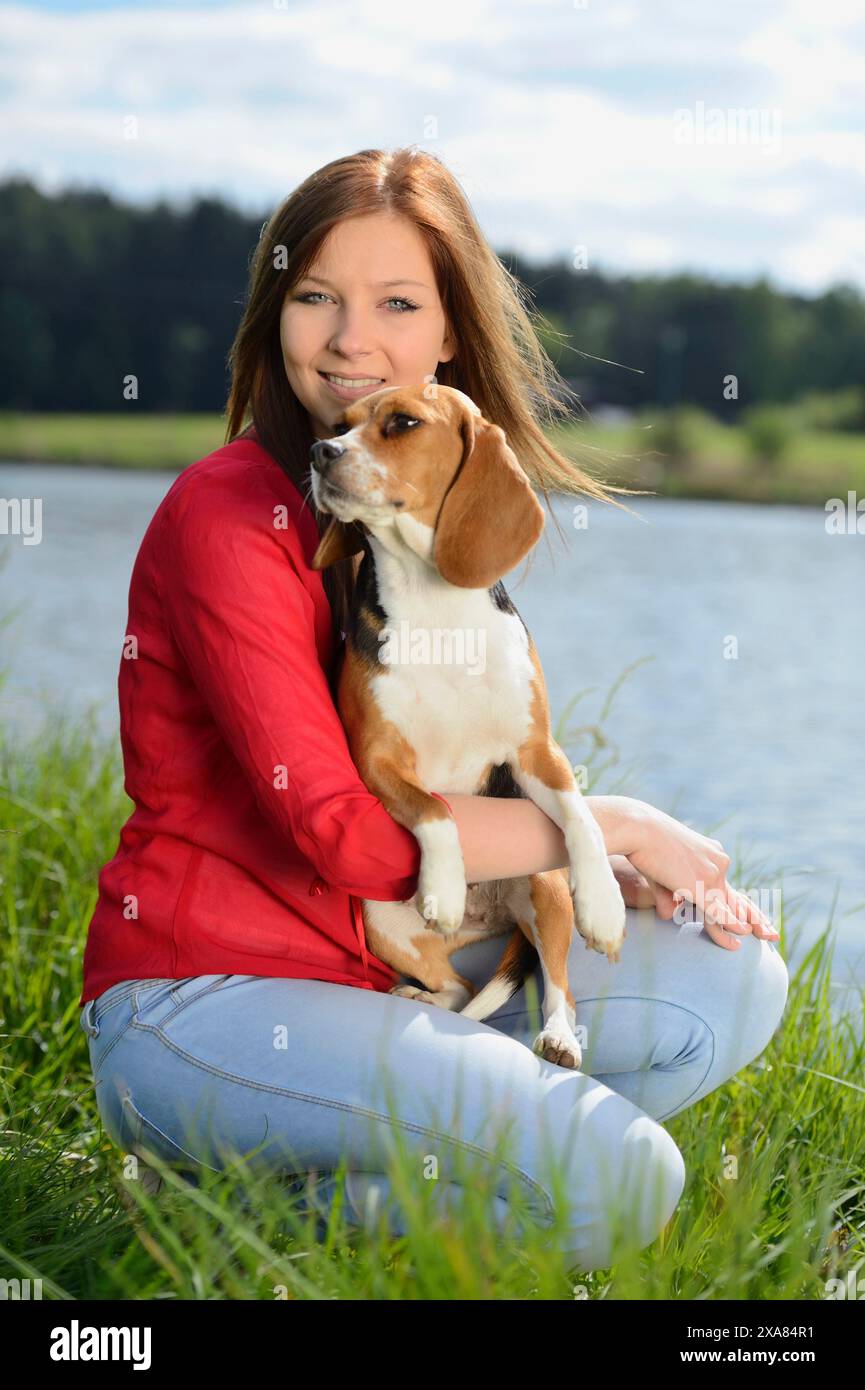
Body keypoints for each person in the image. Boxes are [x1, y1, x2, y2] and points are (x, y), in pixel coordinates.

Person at [79, 146, 788, 1269]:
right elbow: (347, 833)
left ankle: (380, 1170)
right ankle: (229, 1219)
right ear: (274, 315)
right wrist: (613, 826)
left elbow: (491, 769)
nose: (350, 339)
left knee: (733, 980)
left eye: (395, 303)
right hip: (201, 1005)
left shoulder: (433, 519)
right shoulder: (227, 519)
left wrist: (588, 855)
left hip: (385, 968)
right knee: (626, 1175)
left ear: (448, 330)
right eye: (315, 297)